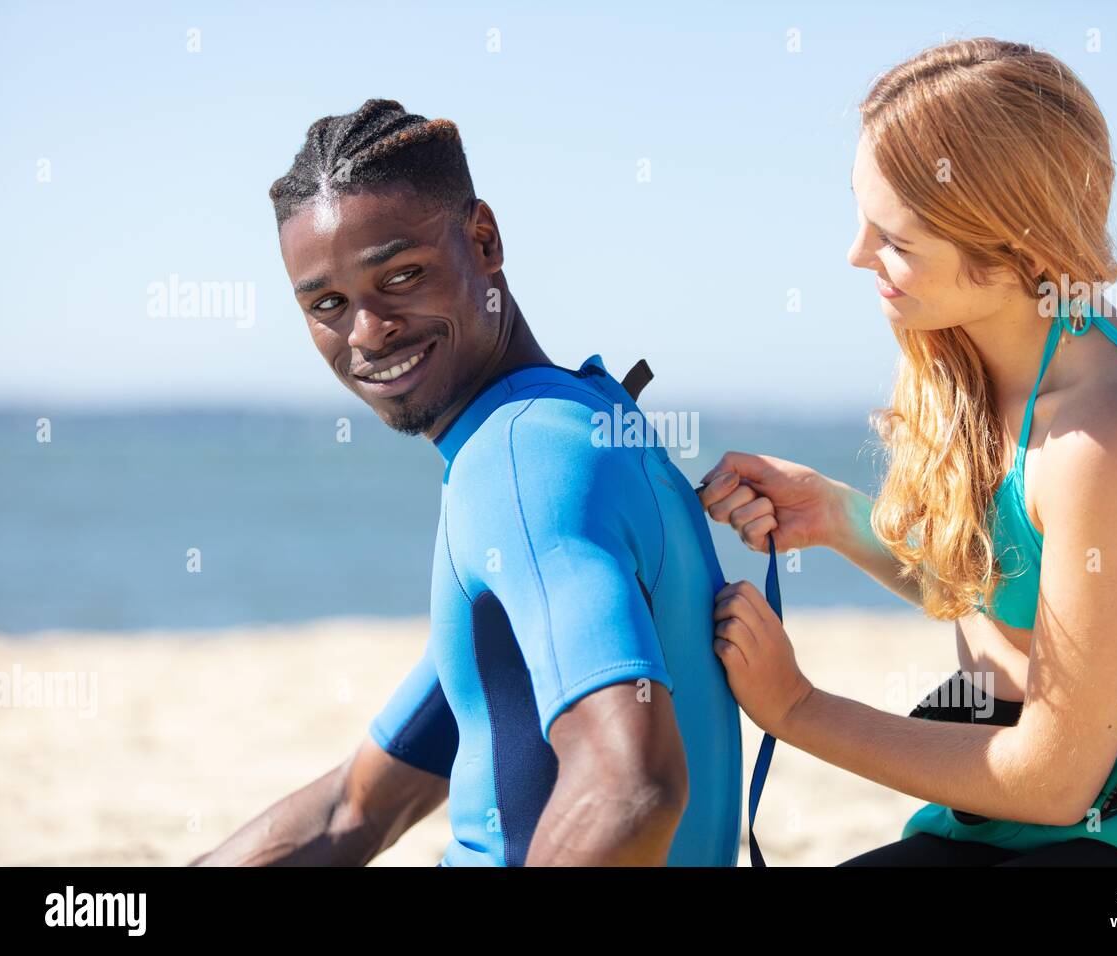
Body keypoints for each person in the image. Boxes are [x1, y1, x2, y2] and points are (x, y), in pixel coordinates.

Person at [700, 38, 1117, 866]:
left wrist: (796, 707)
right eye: (861, 216)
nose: (857, 255)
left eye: (896, 240)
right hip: (1005, 805)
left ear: (1011, 246)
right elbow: (1000, 582)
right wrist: (836, 516)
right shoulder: (965, 356)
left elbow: (1055, 778)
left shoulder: (1107, 434)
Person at [191, 99, 741, 867]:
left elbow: (630, 790)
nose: (366, 332)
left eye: (402, 275)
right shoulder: (583, 418)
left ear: (484, 241)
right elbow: (358, 806)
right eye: (327, 305)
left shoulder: (517, 464)